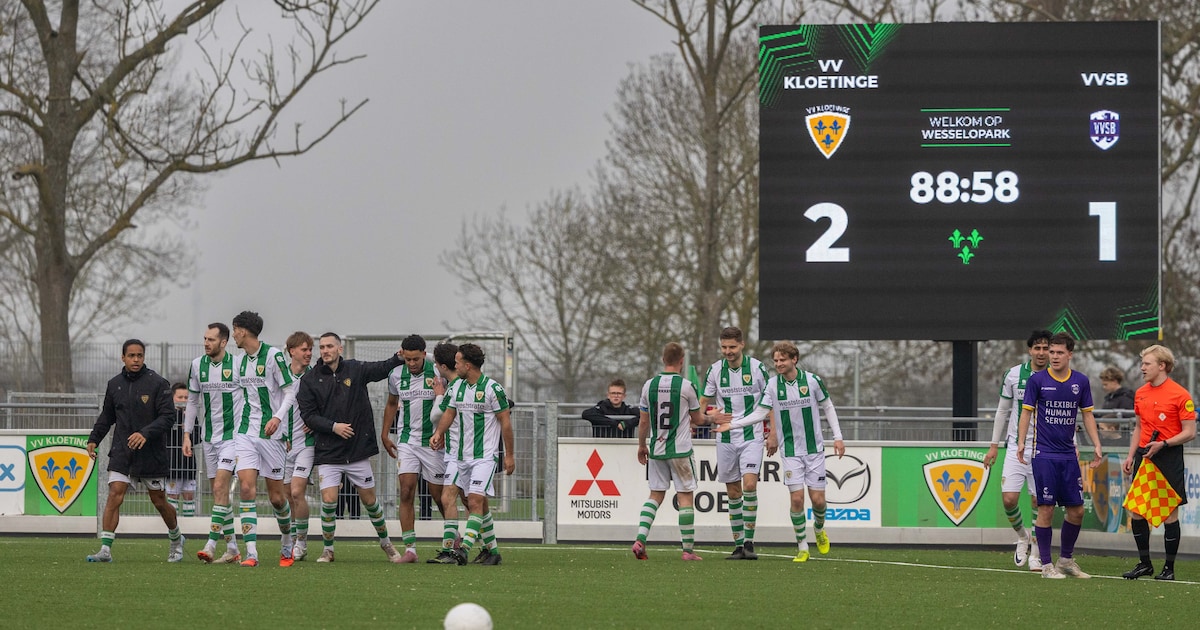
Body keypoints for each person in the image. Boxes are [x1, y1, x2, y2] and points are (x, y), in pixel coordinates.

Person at [715, 341, 844, 562]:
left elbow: (828, 407)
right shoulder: (773, 385)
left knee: (819, 501)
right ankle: (803, 547)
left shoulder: (812, 381)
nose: (778, 364)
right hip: (791, 451)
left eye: (782, 360)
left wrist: (838, 437)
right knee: (796, 500)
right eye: (775, 360)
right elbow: (760, 413)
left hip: (814, 450)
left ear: (794, 359)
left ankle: (820, 530)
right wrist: (734, 424)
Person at [297, 332, 406, 564]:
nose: (325, 350)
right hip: (328, 452)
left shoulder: (355, 370)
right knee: (328, 501)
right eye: (322, 347)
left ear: (340, 348)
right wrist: (333, 427)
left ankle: (386, 543)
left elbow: (381, 368)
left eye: (329, 346)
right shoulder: (309, 380)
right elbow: (308, 416)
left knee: (370, 503)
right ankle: (328, 550)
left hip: (357, 452)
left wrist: (398, 357)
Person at [85, 339, 184, 563]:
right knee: (114, 494)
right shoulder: (114, 384)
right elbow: (107, 417)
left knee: (159, 502)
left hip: (151, 454)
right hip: (122, 451)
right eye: (131, 356)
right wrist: (94, 439)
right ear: (123, 358)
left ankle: (176, 539)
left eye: (139, 355)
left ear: (144, 357)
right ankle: (105, 550)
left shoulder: (158, 383)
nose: (136, 359)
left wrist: (145, 433)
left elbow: (168, 417)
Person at [1016, 332, 1103, 579]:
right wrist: (1021, 442)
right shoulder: (1037, 381)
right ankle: (1045, 565)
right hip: (1043, 454)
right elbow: (1026, 414)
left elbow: (1087, 414)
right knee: (1045, 509)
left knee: (1076, 511)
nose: (1053, 356)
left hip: (1068, 456)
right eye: (1051, 352)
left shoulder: (1080, 382)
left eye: (1058, 353)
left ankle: (1065, 560)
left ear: (1069, 355)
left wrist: (1097, 444)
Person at [430, 343, 515, 566]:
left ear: (468, 365)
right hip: (459, 456)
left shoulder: (492, 389)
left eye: (457, 361)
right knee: (454, 499)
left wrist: (509, 455)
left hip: (484, 457)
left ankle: (464, 549)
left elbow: (505, 422)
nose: (454, 364)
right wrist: (439, 432)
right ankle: (487, 551)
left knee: (475, 500)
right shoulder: (457, 387)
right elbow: (449, 412)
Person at [229, 310, 298, 567]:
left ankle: (287, 542)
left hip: (272, 436)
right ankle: (252, 553)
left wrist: (278, 418)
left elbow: (290, 391)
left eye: (234, 330)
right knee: (246, 488)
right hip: (246, 433)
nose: (233, 334)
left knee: (277, 498)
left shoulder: (273, 356)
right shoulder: (239, 362)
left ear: (243, 330)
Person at [1121, 345, 1196, 581]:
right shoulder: (1140, 393)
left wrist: (1163, 444)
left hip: (1167, 455)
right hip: (1145, 456)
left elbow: (1190, 432)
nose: (1142, 367)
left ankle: (1169, 569)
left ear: (1162, 366)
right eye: (1142, 363)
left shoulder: (1180, 394)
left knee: (1170, 513)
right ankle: (1145, 564)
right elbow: (1139, 427)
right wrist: (1131, 455)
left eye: (1147, 363)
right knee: (1137, 511)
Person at [630, 342, 707, 561]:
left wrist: (642, 445)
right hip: (681, 450)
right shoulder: (686, 386)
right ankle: (688, 551)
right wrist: (714, 418)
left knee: (655, 495)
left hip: (657, 449)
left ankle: (640, 539)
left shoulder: (649, 386)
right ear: (682, 361)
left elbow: (643, 421)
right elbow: (699, 419)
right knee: (685, 497)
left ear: (663, 360)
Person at [982, 329, 1050, 571]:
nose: (1041, 353)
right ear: (1030, 350)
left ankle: (1037, 552)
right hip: (1015, 447)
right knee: (1009, 499)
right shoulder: (1013, 374)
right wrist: (993, 446)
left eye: (1046, 348)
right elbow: (1002, 411)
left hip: (1044, 448)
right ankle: (1023, 536)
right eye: (1037, 348)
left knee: (1038, 500)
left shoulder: (1058, 376)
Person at [381, 334, 453, 563]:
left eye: (415, 359)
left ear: (424, 354)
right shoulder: (395, 375)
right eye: (407, 359)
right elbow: (392, 404)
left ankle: (454, 538)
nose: (411, 364)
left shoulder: (439, 372)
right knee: (406, 491)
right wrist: (384, 434)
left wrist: (443, 432)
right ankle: (410, 549)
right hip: (407, 441)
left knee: (439, 496)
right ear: (402, 354)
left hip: (433, 442)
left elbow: (450, 405)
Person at [700, 326, 769, 560]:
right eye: (724, 347)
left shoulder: (757, 368)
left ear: (742, 345)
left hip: (752, 435)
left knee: (749, 485)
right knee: (733, 491)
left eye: (731, 347)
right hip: (725, 436)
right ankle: (738, 544)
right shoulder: (715, 370)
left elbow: (771, 401)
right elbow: (704, 400)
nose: (727, 351)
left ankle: (749, 542)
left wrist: (775, 433)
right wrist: (702, 417)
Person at [183, 322, 244, 564]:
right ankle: (232, 548)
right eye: (205, 339)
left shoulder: (238, 364)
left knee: (220, 488)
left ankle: (210, 544)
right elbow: (192, 402)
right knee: (219, 494)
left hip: (233, 438)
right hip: (209, 439)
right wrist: (187, 434)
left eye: (211, 339)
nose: (206, 343)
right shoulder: (198, 365)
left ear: (223, 342)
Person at [426, 342, 475, 564]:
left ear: (443, 366)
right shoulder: (467, 383)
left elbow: (437, 415)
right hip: (462, 452)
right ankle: (483, 549)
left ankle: (457, 550)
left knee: (461, 500)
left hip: (464, 453)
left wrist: (439, 395)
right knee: (464, 500)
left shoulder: (455, 388)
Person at [281, 331, 315, 561]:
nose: (309, 353)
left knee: (296, 492)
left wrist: (316, 423)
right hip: (282, 445)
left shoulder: (315, 376)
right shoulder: (280, 375)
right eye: (304, 349)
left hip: (306, 444)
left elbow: (328, 405)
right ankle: (293, 539)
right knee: (286, 497)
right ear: (291, 351)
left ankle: (301, 542)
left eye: (310, 349)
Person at [165, 383, 200, 517]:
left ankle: (189, 525)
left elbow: (198, 436)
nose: (184, 400)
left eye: (186, 397)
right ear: (173, 398)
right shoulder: (167, 415)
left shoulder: (191, 416)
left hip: (189, 462)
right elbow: (165, 436)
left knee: (189, 495)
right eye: (180, 397)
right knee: (172, 496)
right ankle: (173, 525)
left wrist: (188, 430)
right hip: (172, 463)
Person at [1097, 366, 1135, 442]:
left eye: (1106, 384)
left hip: (1121, 439)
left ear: (1114, 381)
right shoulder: (1109, 398)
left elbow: (1128, 417)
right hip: (1109, 437)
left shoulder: (1126, 397)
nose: (1104, 387)